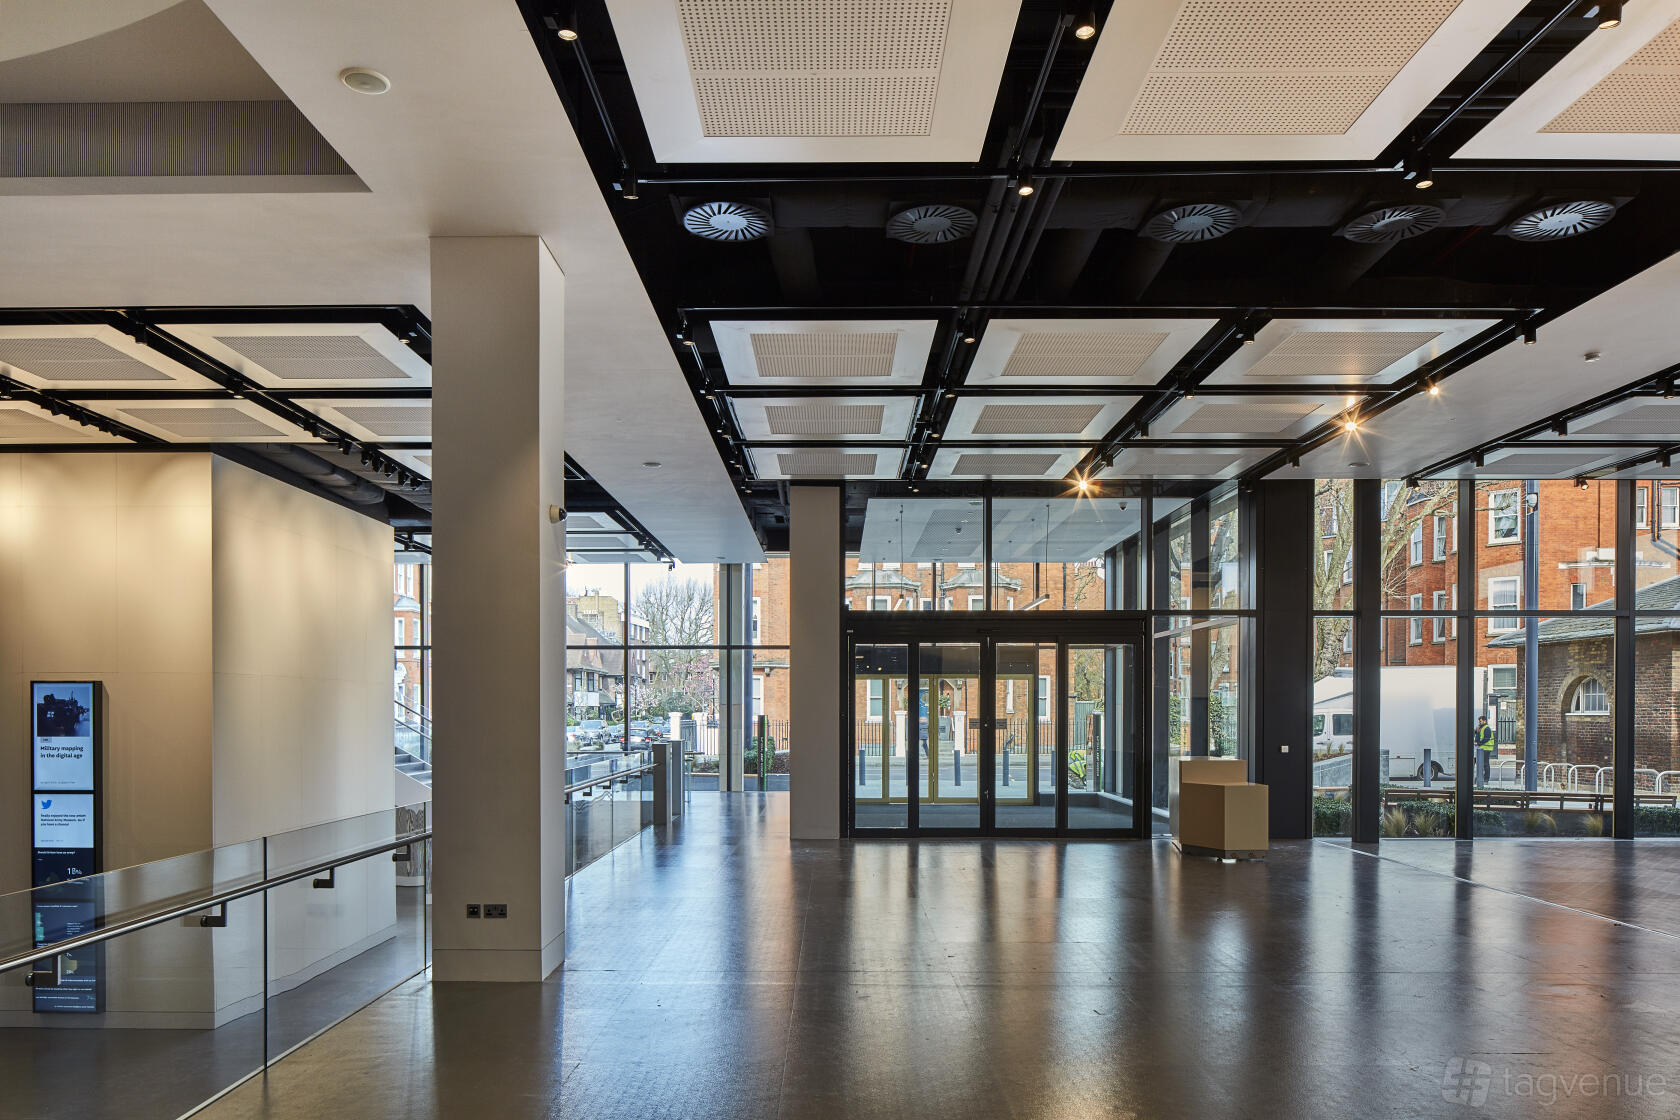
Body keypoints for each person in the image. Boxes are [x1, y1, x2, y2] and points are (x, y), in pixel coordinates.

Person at [1474, 715, 1496, 786]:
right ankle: (1480, 778)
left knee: (1485, 764)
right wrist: (1476, 732)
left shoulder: (1487, 728)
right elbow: (1478, 737)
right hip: (1481, 749)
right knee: (1479, 763)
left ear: (1484, 721)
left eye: (1480, 721)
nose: (1479, 723)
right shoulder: (1480, 728)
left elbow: (1486, 739)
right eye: (1479, 721)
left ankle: (1486, 779)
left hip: (1486, 748)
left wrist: (1478, 743)